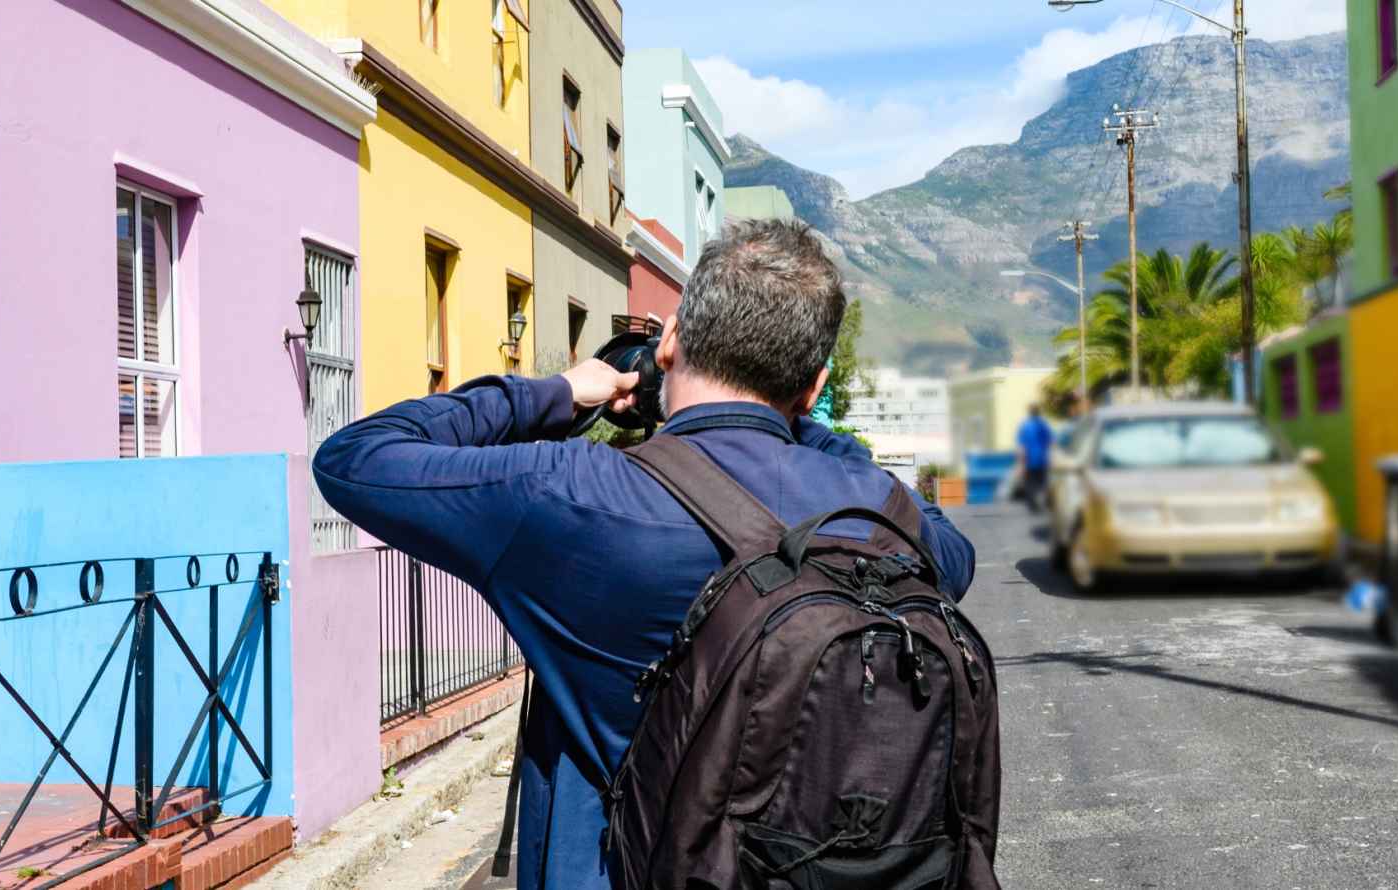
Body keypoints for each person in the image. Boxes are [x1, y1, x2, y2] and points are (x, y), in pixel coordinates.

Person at [312, 220, 976, 890]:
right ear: (814, 385)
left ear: (673, 343)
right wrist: (802, 423)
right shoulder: (887, 518)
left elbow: (355, 459)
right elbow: (954, 549)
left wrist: (558, 392)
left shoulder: (570, 494)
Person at [1016, 403, 1053, 513]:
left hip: (1029, 460)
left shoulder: (1025, 426)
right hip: (1042, 459)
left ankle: (1033, 506)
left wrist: (1021, 463)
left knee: (1030, 484)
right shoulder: (1043, 425)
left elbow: (1022, 446)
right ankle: (1041, 503)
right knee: (1042, 483)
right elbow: (1050, 442)